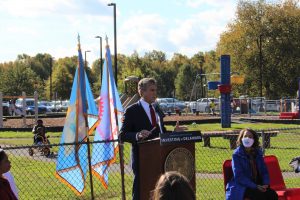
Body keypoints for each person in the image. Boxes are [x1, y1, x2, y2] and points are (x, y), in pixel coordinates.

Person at [119, 78, 187, 200]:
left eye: (155, 90)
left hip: (161, 157)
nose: (155, 93)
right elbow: (122, 134)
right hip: (142, 159)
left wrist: (174, 132)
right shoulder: (132, 110)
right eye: (151, 90)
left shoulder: (156, 108)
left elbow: (161, 131)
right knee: (142, 191)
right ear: (141, 91)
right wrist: (137, 135)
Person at [226, 129, 278, 200]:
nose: (248, 138)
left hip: (257, 185)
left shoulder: (258, 154)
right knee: (259, 196)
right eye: (245, 136)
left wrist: (266, 184)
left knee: (272, 194)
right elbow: (239, 177)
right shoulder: (236, 155)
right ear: (241, 139)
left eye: (250, 137)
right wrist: (255, 186)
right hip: (241, 187)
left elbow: (264, 171)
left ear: (254, 140)